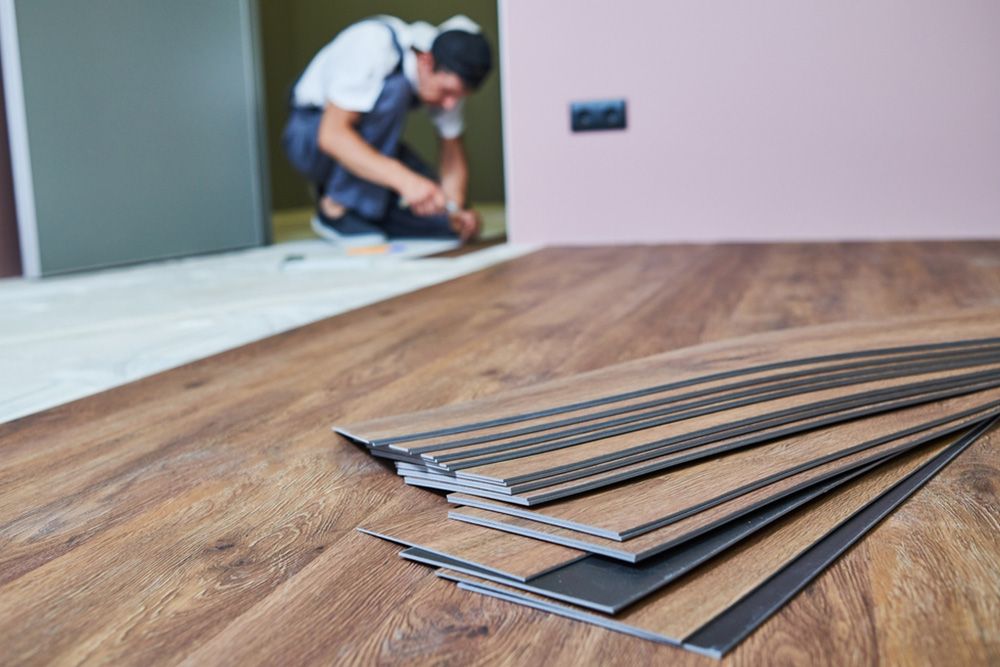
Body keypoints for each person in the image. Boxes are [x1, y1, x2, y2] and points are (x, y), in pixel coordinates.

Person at [282, 15, 492, 246]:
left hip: (371, 146)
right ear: (426, 61)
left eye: (459, 96)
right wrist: (406, 182)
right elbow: (331, 135)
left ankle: (366, 212)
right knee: (396, 91)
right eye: (447, 92)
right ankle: (335, 207)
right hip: (310, 138)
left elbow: (452, 153)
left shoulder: (447, 80)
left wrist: (454, 210)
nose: (450, 104)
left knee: (437, 209)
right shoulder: (374, 45)